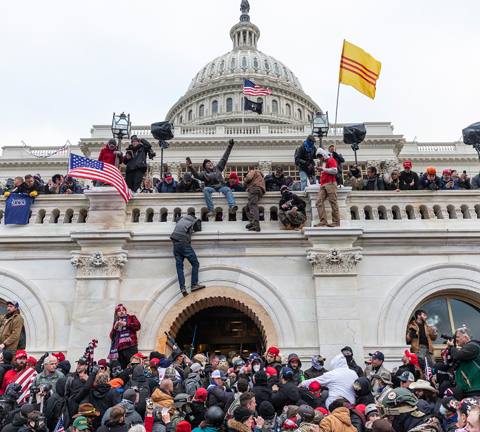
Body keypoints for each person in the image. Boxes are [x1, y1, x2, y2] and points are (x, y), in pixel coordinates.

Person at [187, 140, 238, 217]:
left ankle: (232, 206)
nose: (210, 163)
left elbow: (224, 158)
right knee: (206, 189)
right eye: (208, 163)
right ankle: (211, 209)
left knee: (228, 189)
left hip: (221, 187)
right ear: (205, 166)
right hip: (212, 188)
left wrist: (229, 147)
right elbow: (196, 175)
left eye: (210, 162)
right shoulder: (204, 173)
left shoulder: (218, 168)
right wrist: (190, 167)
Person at [170, 213, 206, 297]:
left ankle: (182, 288)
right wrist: (199, 220)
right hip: (184, 244)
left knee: (179, 267)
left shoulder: (182, 219)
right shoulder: (193, 220)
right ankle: (194, 284)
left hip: (175, 244)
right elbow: (198, 228)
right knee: (195, 263)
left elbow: (176, 219)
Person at [447, 327, 480, 397]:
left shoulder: (473, 347)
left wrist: (452, 347)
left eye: (458, 337)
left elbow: (459, 355)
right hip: (467, 390)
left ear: (465, 337)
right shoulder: (465, 349)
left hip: (474, 390)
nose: (456, 339)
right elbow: (452, 363)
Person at [108, 304, 142, 370]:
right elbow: (112, 337)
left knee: (134, 367)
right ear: (117, 314)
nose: (121, 312)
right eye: (119, 311)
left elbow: (138, 326)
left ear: (125, 311)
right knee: (123, 368)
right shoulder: (116, 322)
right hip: (121, 350)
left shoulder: (131, 317)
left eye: (123, 310)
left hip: (131, 347)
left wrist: (126, 324)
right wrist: (114, 328)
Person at [314, 148, 340, 227]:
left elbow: (335, 170)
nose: (319, 158)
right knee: (318, 202)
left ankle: (336, 222)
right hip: (323, 184)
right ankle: (323, 221)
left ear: (323, 154)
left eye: (320, 156)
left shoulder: (330, 160)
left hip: (330, 182)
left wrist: (323, 169)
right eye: (318, 156)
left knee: (333, 202)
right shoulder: (324, 162)